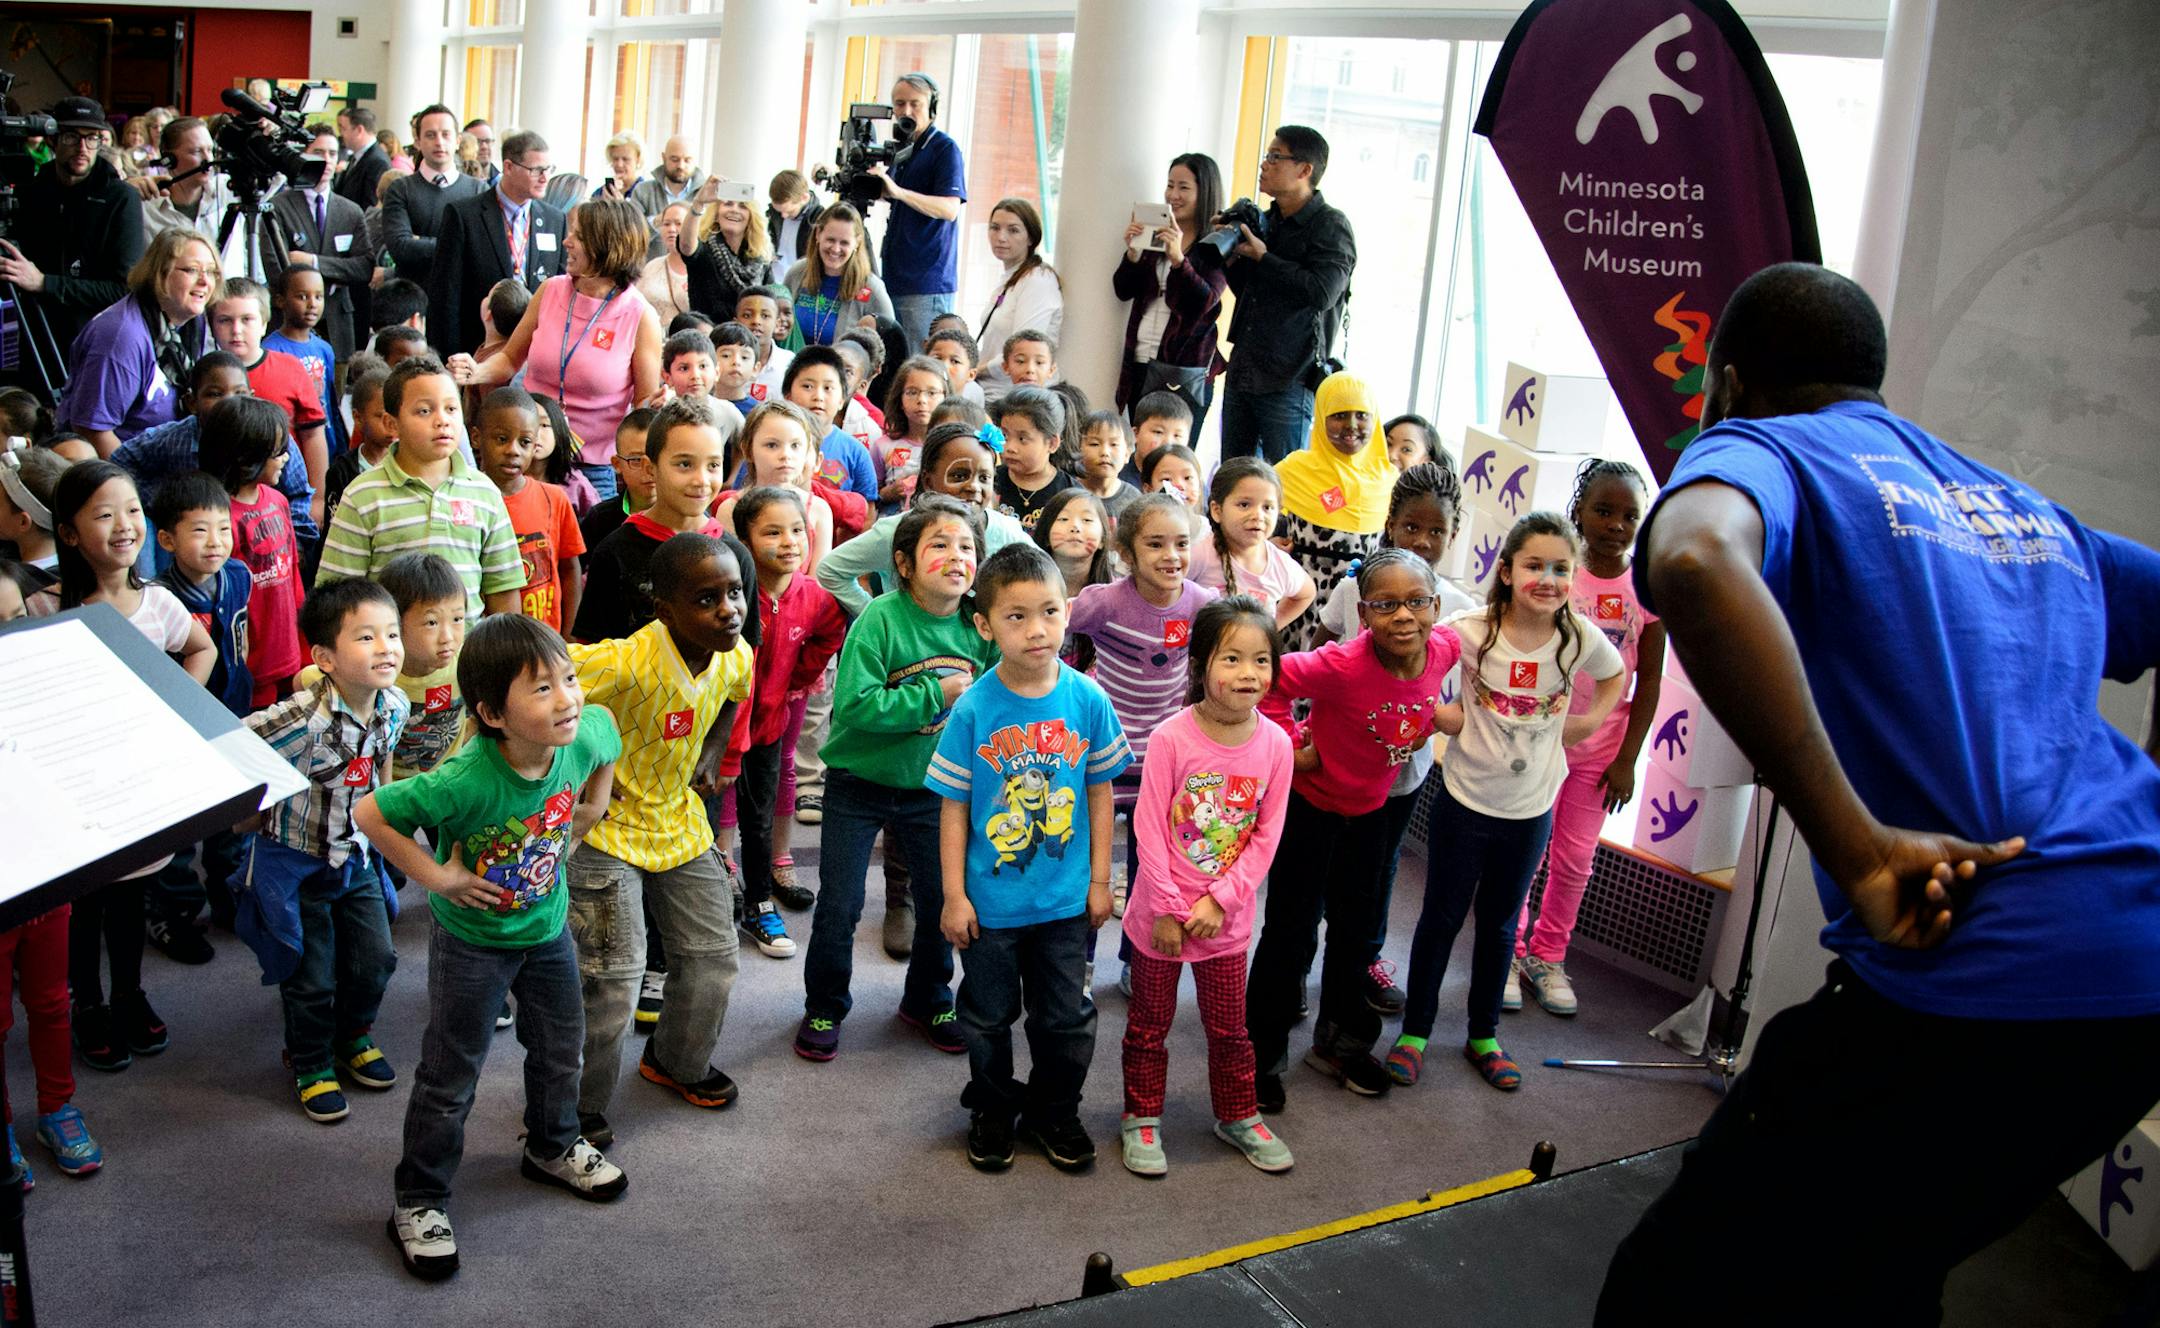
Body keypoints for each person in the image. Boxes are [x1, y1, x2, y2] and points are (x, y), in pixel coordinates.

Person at [1596, 263, 2160, 1324]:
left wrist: (1852, 844)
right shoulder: (2011, 499)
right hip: (2139, 980)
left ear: (1726, 381)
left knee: (1670, 1289)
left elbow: (1698, 561)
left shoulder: (1762, 448)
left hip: (1986, 970)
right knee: (1879, 1263)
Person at [360, 613, 625, 1282]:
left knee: (564, 1049)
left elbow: (607, 735)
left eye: (568, 679)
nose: (567, 699)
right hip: (472, 943)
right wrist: (437, 878)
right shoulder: (463, 781)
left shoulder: (579, 732)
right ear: (491, 713)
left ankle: (553, 1146)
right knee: (451, 1076)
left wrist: (593, 806)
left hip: (545, 929)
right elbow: (372, 814)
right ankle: (418, 1200)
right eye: (541, 689)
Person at [1387, 514, 1625, 1094]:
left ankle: (1484, 1035)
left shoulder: (1579, 637)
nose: (1548, 579)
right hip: (1466, 803)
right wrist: (1438, 717)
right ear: (1508, 571)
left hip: (1530, 812)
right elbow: (1414, 664)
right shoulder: (1470, 629)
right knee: (1441, 918)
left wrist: (1590, 721)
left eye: (1561, 568)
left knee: (1499, 927)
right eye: (1535, 565)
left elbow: (1616, 675)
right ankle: (1415, 1033)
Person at [931, 540, 1131, 1173]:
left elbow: (1101, 794)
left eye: (1048, 611)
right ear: (984, 626)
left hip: (1066, 901)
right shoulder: (974, 708)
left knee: (1065, 1017)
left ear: (1068, 612)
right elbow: (954, 806)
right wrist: (955, 895)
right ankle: (992, 1106)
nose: (1036, 629)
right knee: (987, 1016)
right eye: (1016, 616)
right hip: (990, 904)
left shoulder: (1088, 700)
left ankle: (1055, 1109)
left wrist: (1102, 879)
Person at [1246, 549, 1463, 1108]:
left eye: (1416, 601)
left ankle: (1340, 1044)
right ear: (1363, 614)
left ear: (1436, 606)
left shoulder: (1444, 649)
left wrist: (1430, 724)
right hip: (1311, 811)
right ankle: (1261, 1056)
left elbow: (1464, 663)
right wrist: (1293, 747)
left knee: (1357, 933)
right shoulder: (1340, 664)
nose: (1403, 616)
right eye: (1386, 605)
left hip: (1371, 814)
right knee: (1290, 931)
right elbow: (1271, 679)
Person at [795, 495, 997, 1063]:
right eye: (940, 545)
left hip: (935, 789)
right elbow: (856, 706)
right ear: (903, 564)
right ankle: (825, 1004)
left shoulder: (977, 623)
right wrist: (936, 693)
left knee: (941, 898)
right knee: (841, 902)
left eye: (966, 547)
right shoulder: (880, 617)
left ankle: (930, 997)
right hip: (858, 782)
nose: (957, 557)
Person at [567, 532, 753, 1133]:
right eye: (706, 599)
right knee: (616, 977)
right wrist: (572, 775)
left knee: (714, 957)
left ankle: (676, 1061)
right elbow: (535, 684)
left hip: (677, 820)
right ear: (665, 611)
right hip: (604, 829)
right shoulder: (620, 662)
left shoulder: (735, 653)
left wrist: (717, 748)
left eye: (735, 593)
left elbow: (735, 695)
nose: (728, 609)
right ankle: (575, 1106)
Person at [1119, 595, 1294, 1177]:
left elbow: (1266, 837)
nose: (1249, 674)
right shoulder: (1172, 737)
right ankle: (1141, 1117)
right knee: (1148, 1027)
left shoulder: (1275, 745)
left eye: (1262, 661)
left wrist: (1221, 900)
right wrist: (1168, 908)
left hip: (1227, 922)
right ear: (1200, 665)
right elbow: (1147, 825)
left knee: (1230, 1030)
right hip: (1160, 919)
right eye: (1232, 659)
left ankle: (1237, 1114)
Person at [50, 461, 214, 1073]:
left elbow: (202, 648)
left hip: (134, 776)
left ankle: (127, 992)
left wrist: (176, 706)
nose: (125, 526)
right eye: (103, 515)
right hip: (73, 782)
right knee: (82, 901)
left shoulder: (157, 603)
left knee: (128, 894)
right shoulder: (50, 606)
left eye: (133, 512)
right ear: (69, 534)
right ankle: (85, 1004)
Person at [235, 578, 407, 1124]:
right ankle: (309, 1060)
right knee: (311, 977)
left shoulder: (395, 705)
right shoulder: (298, 720)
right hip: (296, 863)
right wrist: (247, 815)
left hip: (353, 855)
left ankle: (352, 1037)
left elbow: (380, 767)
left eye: (393, 633)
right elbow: (229, 743)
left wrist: (382, 819)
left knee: (376, 959)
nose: (387, 648)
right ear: (325, 658)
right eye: (366, 637)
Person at [1310, 460, 1475, 1016]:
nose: (1423, 541)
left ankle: (1365, 960)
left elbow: (1464, 683)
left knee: (1380, 869)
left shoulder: (1455, 608)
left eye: (1436, 531)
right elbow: (1319, 647)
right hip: (1336, 765)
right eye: (1411, 527)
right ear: (1390, 522)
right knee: (1325, 865)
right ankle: (1309, 962)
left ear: (1452, 535)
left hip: (1404, 769)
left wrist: (1441, 715)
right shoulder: (1357, 583)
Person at [1509, 461, 1664, 1018]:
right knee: (1523, 849)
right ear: (1579, 511)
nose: (1616, 524)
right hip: (1537, 738)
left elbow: (1648, 682)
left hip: (1602, 749)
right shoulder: (1560, 574)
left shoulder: (1646, 587)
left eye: (1630, 515)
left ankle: (1547, 955)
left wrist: (1629, 759)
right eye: (1604, 510)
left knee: (1574, 858)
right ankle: (1507, 949)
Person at [450, 198, 664, 501]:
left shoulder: (640, 316)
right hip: (528, 456)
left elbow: (643, 402)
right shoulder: (550, 290)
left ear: (606, 245)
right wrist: (477, 370)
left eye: (577, 236)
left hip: (592, 467)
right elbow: (510, 359)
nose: (566, 242)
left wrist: (657, 405)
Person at [726, 485, 847, 958]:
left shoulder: (813, 596)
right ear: (746, 539)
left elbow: (829, 631)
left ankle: (758, 903)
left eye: (797, 529)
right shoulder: (732, 590)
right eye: (772, 532)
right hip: (714, 734)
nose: (790, 541)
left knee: (758, 821)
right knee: (708, 817)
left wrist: (795, 678)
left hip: (767, 729)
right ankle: (712, 900)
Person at [318, 356, 524, 622]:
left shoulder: (484, 492)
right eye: (424, 411)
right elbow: (339, 595)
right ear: (393, 424)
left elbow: (504, 591)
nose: (442, 421)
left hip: (468, 659)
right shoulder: (362, 496)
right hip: (391, 659)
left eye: (451, 409)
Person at [1218, 126, 1356, 465]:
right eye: (1267, 156)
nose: (1265, 165)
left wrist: (1265, 257)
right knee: (1232, 475)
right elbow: (1251, 293)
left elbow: (1322, 292)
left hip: (1290, 375)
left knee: (1284, 480)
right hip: (1244, 367)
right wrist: (1231, 257)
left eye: (1276, 157)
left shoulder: (1330, 225)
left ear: (1305, 170)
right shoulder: (1266, 221)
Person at [574, 396, 740, 644]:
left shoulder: (735, 554)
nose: (701, 480)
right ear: (651, 468)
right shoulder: (614, 551)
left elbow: (746, 656)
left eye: (713, 465)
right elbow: (590, 647)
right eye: (685, 464)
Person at [0, 95, 145, 367]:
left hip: (95, 344)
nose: (82, 148)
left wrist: (45, 283)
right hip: (32, 336)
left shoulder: (120, 198)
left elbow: (124, 289)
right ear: (53, 139)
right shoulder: (31, 191)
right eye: (71, 137)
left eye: (92, 138)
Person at [54, 229, 216, 456]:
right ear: (160, 273)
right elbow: (92, 429)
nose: (204, 281)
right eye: (191, 270)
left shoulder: (191, 321)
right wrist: (136, 486)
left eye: (211, 272)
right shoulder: (121, 336)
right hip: (123, 474)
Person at [199, 395, 307, 708]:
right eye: (277, 452)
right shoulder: (219, 521)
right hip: (249, 668)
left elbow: (293, 576)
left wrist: (302, 645)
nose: (286, 458)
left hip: (290, 656)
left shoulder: (278, 500)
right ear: (245, 457)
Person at [1274, 371, 1393, 651]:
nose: (1352, 426)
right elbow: (1254, 513)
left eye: (1362, 415)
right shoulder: (1293, 472)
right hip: (1298, 608)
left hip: (1359, 611)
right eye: (1339, 415)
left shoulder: (1389, 481)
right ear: (1321, 417)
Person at [429, 130, 567, 359]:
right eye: (536, 170)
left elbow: (561, 288)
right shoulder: (464, 215)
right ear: (509, 167)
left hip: (535, 349)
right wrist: (449, 357)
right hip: (477, 344)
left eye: (548, 169)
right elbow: (446, 293)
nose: (545, 178)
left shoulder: (555, 219)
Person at [210, 276, 328, 534]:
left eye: (247, 320)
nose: (236, 330)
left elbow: (313, 435)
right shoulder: (205, 376)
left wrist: (317, 499)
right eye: (225, 320)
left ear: (264, 323)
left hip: (285, 498)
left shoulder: (290, 368)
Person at [474, 386, 585, 633]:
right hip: (489, 640)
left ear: (534, 445)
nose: (513, 450)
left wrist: (566, 634)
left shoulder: (554, 498)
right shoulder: (468, 501)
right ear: (476, 438)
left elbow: (570, 569)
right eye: (502, 439)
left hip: (545, 637)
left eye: (524, 442)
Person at [872, 74, 967, 352]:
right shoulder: (904, 149)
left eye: (915, 104)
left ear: (932, 108)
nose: (906, 111)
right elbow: (891, 194)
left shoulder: (944, 149)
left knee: (919, 362)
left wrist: (899, 191)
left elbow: (949, 208)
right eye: (899, 104)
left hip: (926, 280)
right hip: (896, 274)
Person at [1189, 457, 1313, 632]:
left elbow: (1306, 593)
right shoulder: (1201, 553)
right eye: (1244, 504)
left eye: (1267, 507)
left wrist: (1269, 628)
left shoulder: (1279, 564)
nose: (1258, 515)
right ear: (1217, 511)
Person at [382, 105, 486, 286]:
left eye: (446, 134)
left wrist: (421, 241)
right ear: (417, 141)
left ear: (457, 140)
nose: (439, 142)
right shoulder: (400, 190)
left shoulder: (479, 191)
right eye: (430, 135)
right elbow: (400, 247)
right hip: (415, 297)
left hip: (464, 298)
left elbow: (483, 249)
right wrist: (460, 244)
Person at [971, 200, 1061, 395]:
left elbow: (1023, 348)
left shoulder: (1038, 280)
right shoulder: (1010, 277)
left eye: (1013, 230)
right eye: (995, 228)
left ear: (1031, 238)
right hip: (990, 388)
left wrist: (975, 371)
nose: (1001, 237)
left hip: (1016, 395)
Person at [779, 202, 892, 347]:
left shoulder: (871, 287)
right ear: (818, 234)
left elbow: (890, 341)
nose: (836, 249)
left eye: (844, 243)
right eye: (830, 240)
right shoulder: (797, 273)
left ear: (857, 243)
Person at [679, 176, 786, 326]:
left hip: (748, 340)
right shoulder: (704, 250)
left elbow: (770, 300)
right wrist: (699, 203)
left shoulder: (760, 258)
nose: (734, 210)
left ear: (751, 217)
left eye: (743, 206)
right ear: (716, 214)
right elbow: (685, 246)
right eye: (728, 204)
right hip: (709, 339)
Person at [135, 117, 238, 273]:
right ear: (169, 160)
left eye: (210, 150)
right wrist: (125, 189)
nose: (208, 159)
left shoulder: (228, 189)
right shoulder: (147, 208)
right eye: (196, 151)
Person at [991, 386, 1075, 532]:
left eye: (1022, 439)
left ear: (1052, 443)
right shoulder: (989, 480)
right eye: (1005, 436)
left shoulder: (1070, 494)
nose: (1010, 447)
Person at [1074, 411, 1139, 525]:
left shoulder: (1134, 500)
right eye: (1094, 444)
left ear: (1127, 455)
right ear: (1079, 450)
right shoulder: (1069, 492)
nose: (1105, 452)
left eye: (1114, 444)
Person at [637, 203, 696, 326]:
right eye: (666, 224)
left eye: (679, 223)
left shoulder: (704, 267)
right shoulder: (651, 267)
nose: (671, 229)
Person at [629, 136, 707, 224]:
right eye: (675, 159)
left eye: (687, 160)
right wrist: (656, 221)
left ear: (694, 160)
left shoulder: (706, 194)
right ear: (664, 158)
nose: (680, 166)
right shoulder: (643, 191)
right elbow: (632, 229)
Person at [335, 107, 391, 215]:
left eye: (343, 129)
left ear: (359, 130)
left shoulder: (378, 162)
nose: (341, 134)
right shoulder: (354, 157)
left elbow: (370, 206)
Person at [766, 169, 825, 264]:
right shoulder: (771, 214)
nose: (784, 216)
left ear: (804, 198)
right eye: (779, 211)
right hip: (772, 276)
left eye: (790, 211)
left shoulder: (820, 220)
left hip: (801, 276)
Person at [594, 133, 644, 202]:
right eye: (615, 159)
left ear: (638, 160)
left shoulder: (646, 193)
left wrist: (620, 206)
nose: (619, 164)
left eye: (625, 159)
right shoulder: (601, 192)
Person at [462, 119, 499, 188]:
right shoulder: (456, 183)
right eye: (477, 141)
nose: (484, 147)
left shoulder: (502, 183)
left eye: (488, 141)